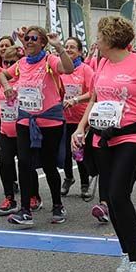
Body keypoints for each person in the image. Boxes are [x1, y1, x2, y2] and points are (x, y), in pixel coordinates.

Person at [72, 16, 136, 272]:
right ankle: (126, 254)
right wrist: (81, 128)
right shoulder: (101, 63)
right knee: (111, 200)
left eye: (100, 36)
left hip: (135, 135)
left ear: (111, 38)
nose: (96, 41)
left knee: (117, 194)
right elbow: (94, 98)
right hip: (103, 137)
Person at [1, 26, 74, 228]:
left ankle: (57, 205)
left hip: (49, 121)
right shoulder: (21, 64)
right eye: (27, 38)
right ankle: (25, 210)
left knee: (49, 165)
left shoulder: (49, 60)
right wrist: (7, 87)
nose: (29, 41)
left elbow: (68, 69)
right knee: (24, 163)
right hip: (25, 120)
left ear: (42, 42)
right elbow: (1, 75)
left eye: (34, 38)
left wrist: (58, 47)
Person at [0, 35, 42, 215]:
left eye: (13, 62)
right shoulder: (2, 83)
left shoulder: (27, 81)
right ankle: (9, 197)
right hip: (5, 131)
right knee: (5, 164)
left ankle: (34, 195)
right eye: (6, 62)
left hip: (25, 130)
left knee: (26, 165)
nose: (8, 65)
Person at [59, 37, 95, 198]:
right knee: (65, 153)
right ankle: (68, 177)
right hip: (63, 118)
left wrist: (76, 100)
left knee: (79, 152)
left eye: (72, 47)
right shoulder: (61, 69)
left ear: (80, 51)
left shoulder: (86, 70)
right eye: (66, 47)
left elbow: (94, 93)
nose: (68, 50)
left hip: (81, 119)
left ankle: (85, 183)